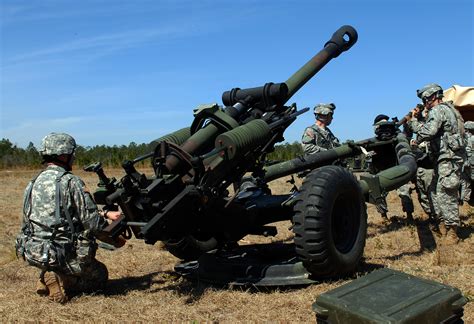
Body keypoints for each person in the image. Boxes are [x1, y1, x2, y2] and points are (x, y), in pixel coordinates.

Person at [15, 133, 125, 303]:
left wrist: (105, 213)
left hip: (35, 252)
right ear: (63, 155)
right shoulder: (71, 182)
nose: (73, 158)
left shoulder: (33, 182)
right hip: (63, 252)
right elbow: (93, 224)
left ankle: (48, 274)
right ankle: (63, 279)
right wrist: (114, 238)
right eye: (72, 154)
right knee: (100, 275)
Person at [407, 83, 464, 244]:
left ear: (432, 96)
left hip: (448, 158)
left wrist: (413, 123)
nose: (425, 103)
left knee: (446, 193)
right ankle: (443, 225)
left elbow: (429, 131)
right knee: (435, 191)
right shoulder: (450, 109)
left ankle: (452, 231)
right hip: (445, 158)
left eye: (426, 99)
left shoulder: (438, 110)